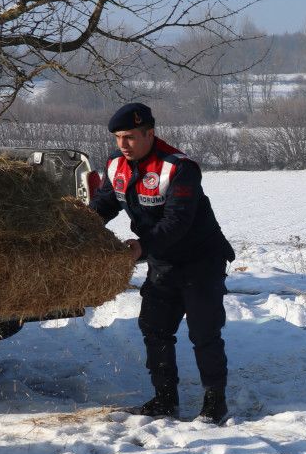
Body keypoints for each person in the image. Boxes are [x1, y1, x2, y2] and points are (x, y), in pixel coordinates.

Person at [90, 102, 235, 424]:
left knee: (204, 334)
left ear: (149, 133)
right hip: (162, 262)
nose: (122, 145)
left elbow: (177, 222)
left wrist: (141, 247)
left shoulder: (178, 167)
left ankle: (215, 404)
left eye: (129, 137)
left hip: (201, 260)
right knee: (154, 330)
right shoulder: (116, 165)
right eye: (117, 138)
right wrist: (79, 227)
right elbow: (105, 203)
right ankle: (165, 399)